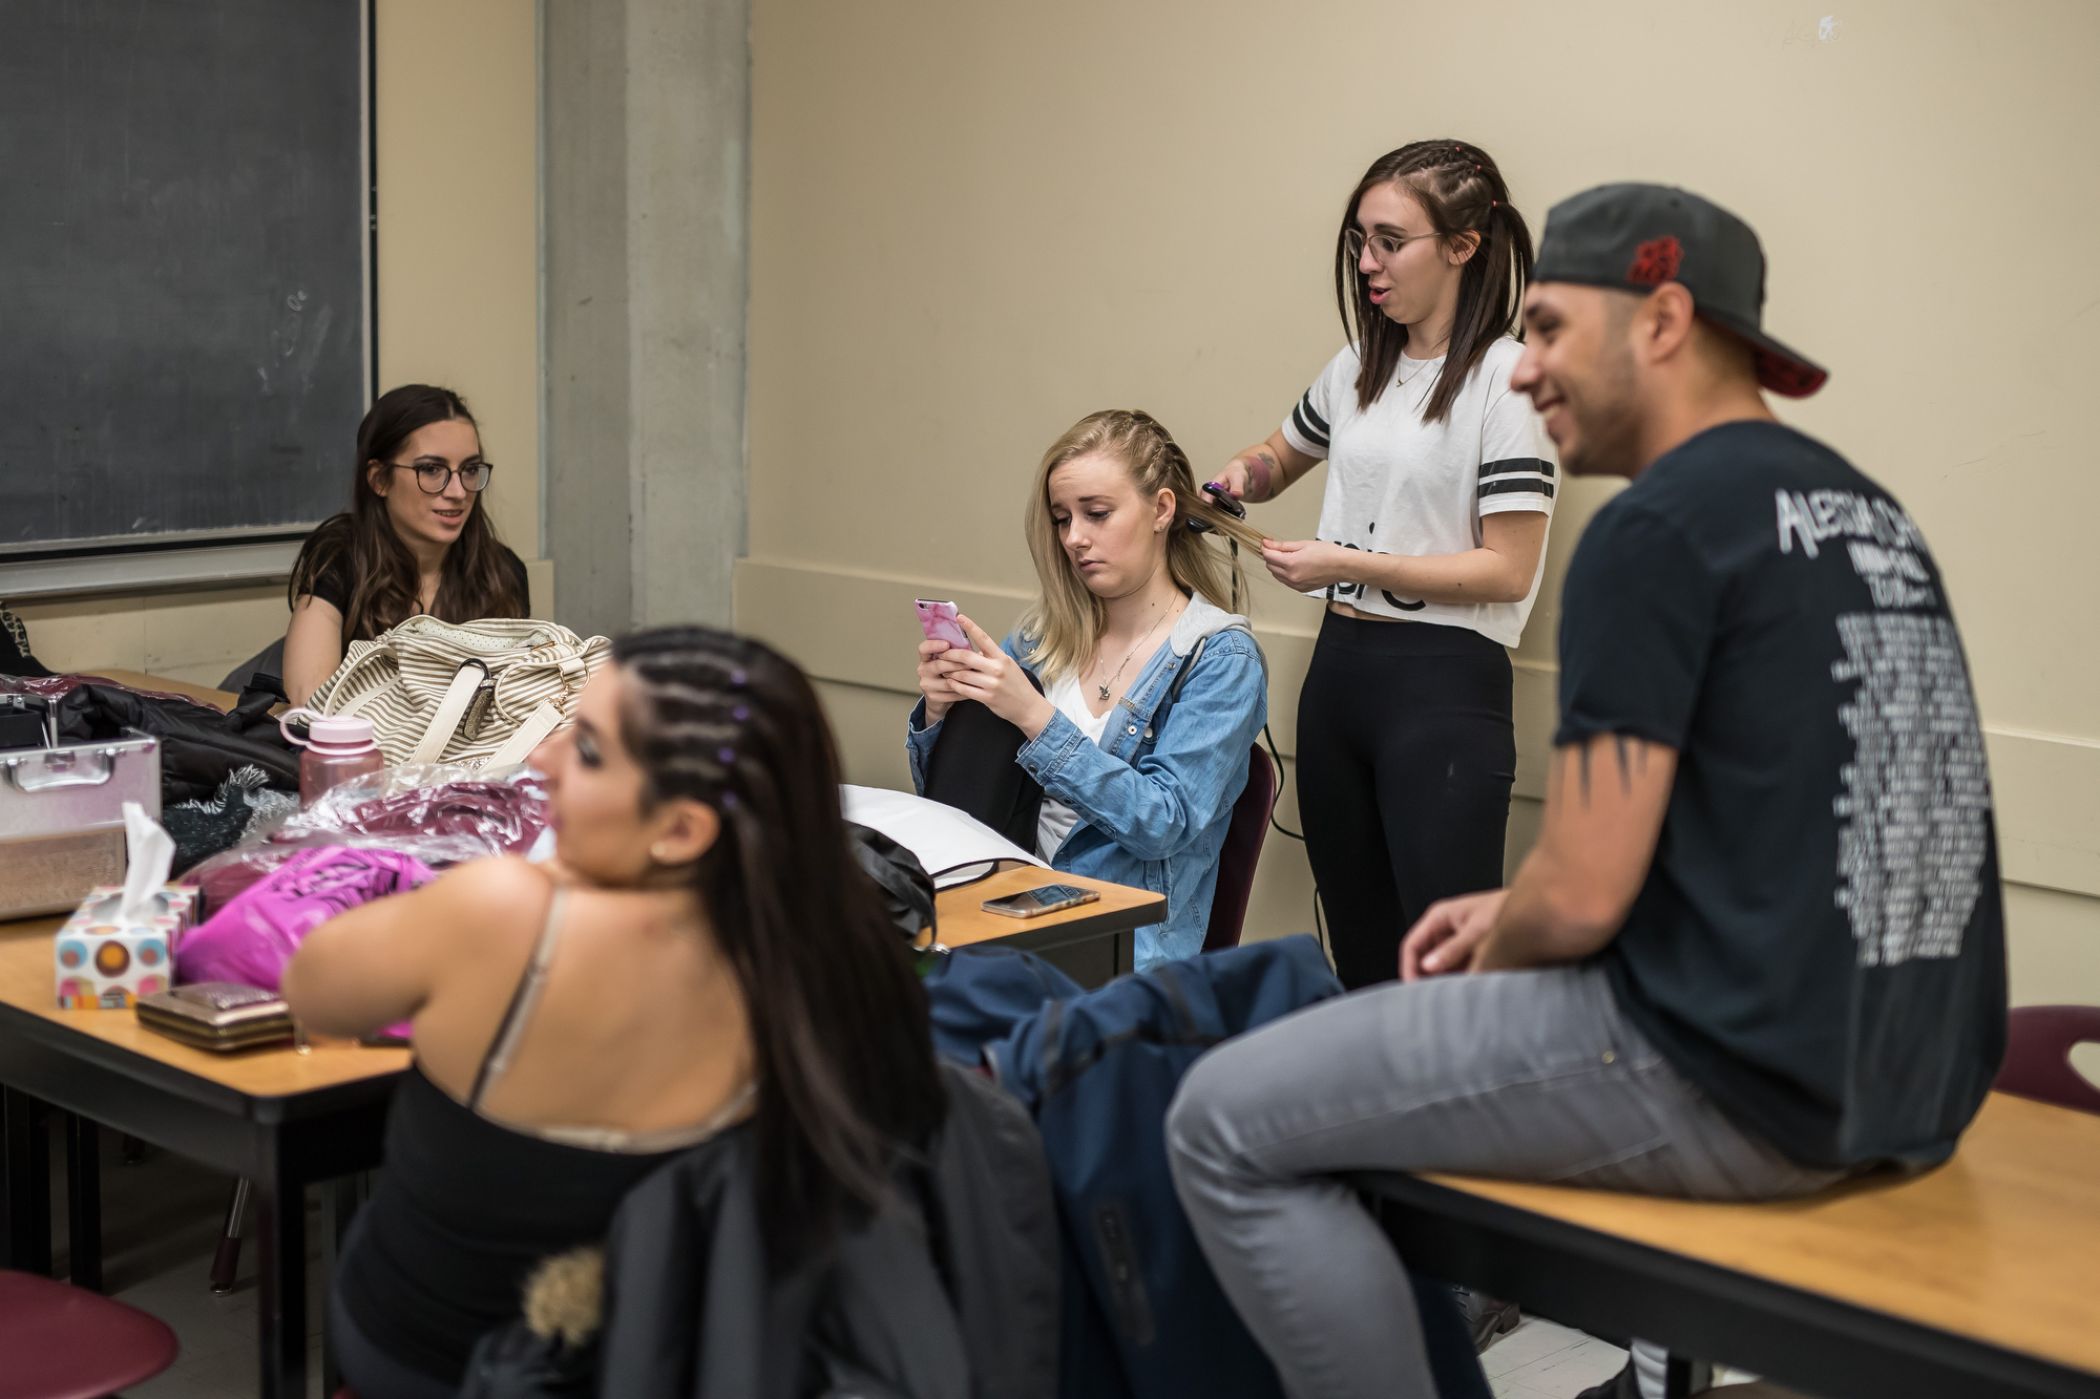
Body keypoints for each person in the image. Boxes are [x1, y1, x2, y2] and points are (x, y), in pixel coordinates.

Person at [1165, 183, 2008, 1399]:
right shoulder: (1868, 516)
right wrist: (1515, 915)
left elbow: (1581, 896)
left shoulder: (1660, 528)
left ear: (1662, 320)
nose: (1525, 369)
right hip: (1922, 1077)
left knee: (1222, 1117)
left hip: (1749, 1085)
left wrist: (1516, 928)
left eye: (1552, 330)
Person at [284, 627, 946, 1398]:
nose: (542, 757)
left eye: (589, 750)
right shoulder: (828, 956)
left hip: (438, 1363)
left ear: (681, 828)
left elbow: (314, 989)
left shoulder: (506, 912)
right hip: (684, 1359)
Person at [1209, 140, 1555, 991]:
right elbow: (1278, 458)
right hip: (1339, 680)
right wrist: (1239, 478)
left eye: (1390, 242)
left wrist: (1347, 561)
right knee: (1361, 955)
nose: (1366, 262)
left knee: (1443, 968)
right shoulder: (1358, 366)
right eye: (1360, 240)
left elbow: (1508, 571)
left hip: (1442, 688)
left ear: (1463, 246)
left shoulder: (1510, 381)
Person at [907, 409, 1270, 968]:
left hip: (1124, 949)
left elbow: (1162, 823)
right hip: (1001, 923)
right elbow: (958, 816)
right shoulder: (1039, 640)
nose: (1075, 538)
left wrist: (1035, 718)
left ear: (1162, 509)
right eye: (1062, 519)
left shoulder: (1220, 659)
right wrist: (941, 715)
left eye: (1097, 514)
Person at [283, 384, 530, 705]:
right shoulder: (341, 555)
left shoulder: (503, 571)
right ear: (379, 479)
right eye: (431, 469)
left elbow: (516, 699)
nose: (458, 492)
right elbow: (309, 699)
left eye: (469, 469)